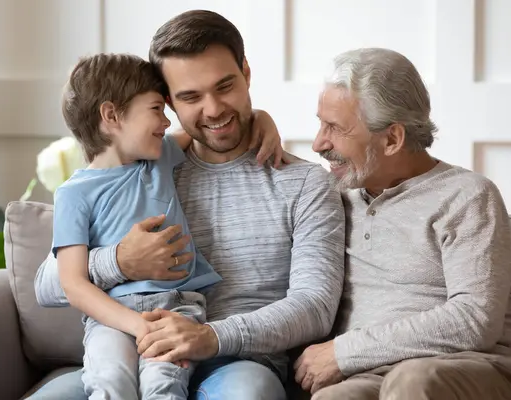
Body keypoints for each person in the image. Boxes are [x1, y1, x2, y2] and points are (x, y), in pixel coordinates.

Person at [29, 9, 345, 400]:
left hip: (236, 363)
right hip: (133, 353)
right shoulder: (143, 167)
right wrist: (120, 262)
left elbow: (314, 307)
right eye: (190, 97)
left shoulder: (304, 183)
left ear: (247, 74)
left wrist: (208, 336)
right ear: (166, 104)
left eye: (225, 86)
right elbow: (48, 283)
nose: (213, 110)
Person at [293, 47, 511, 400]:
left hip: (467, 367)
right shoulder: (336, 195)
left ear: (392, 139)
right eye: (321, 123)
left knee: (413, 382)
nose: (319, 143)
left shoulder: (467, 196)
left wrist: (343, 352)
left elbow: (474, 320)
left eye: (335, 128)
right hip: (371, 374)